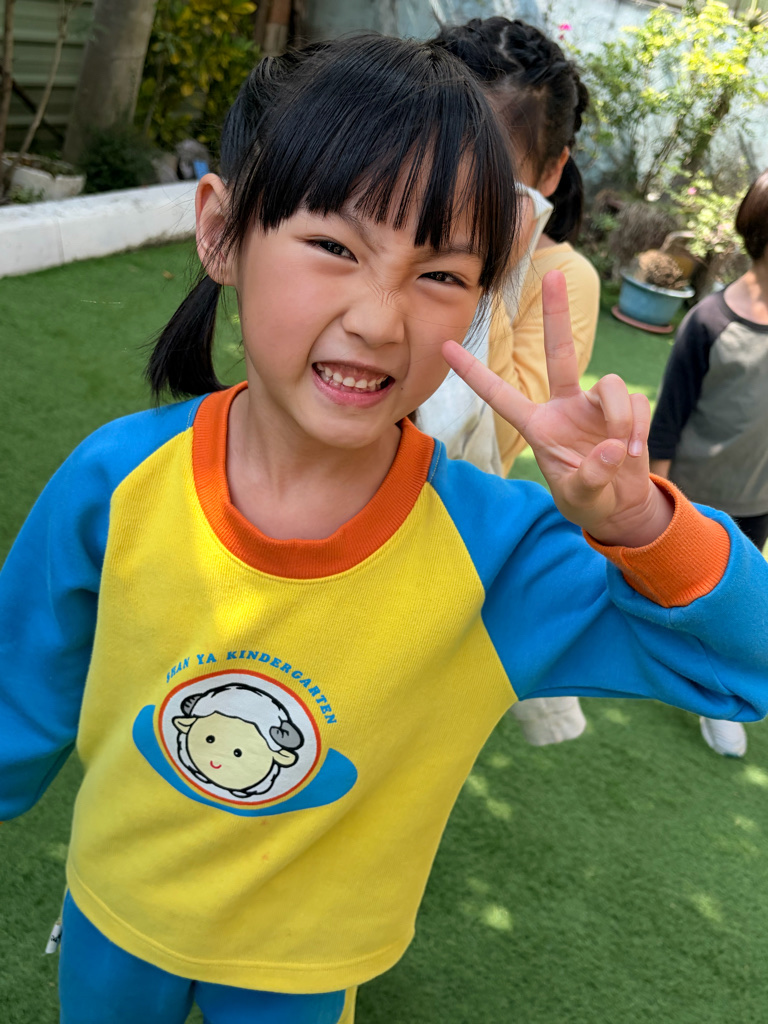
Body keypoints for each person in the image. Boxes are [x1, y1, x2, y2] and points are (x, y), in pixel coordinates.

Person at [1, 33, 767, 1024]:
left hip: (305, 970)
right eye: (335, 248)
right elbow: (24, 685)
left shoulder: (498, 553)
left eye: (441, 275)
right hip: (114, 913)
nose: (378, 319)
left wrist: (641, 524)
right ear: (223, 233)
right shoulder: (117, 479)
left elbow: (741, 666)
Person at [429, 17, 601, 746]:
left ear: (550, 174)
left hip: (445, 530)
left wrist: (489, 273)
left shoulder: (564, 280)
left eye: (491, 180)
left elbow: (502, 429)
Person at [649, 168, 768, 759]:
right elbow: (667, 422)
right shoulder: (710, 322)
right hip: (696, 498)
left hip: (758, 499)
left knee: (734, 604)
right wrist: (653, 505)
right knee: (678, 598)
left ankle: (712, 698)